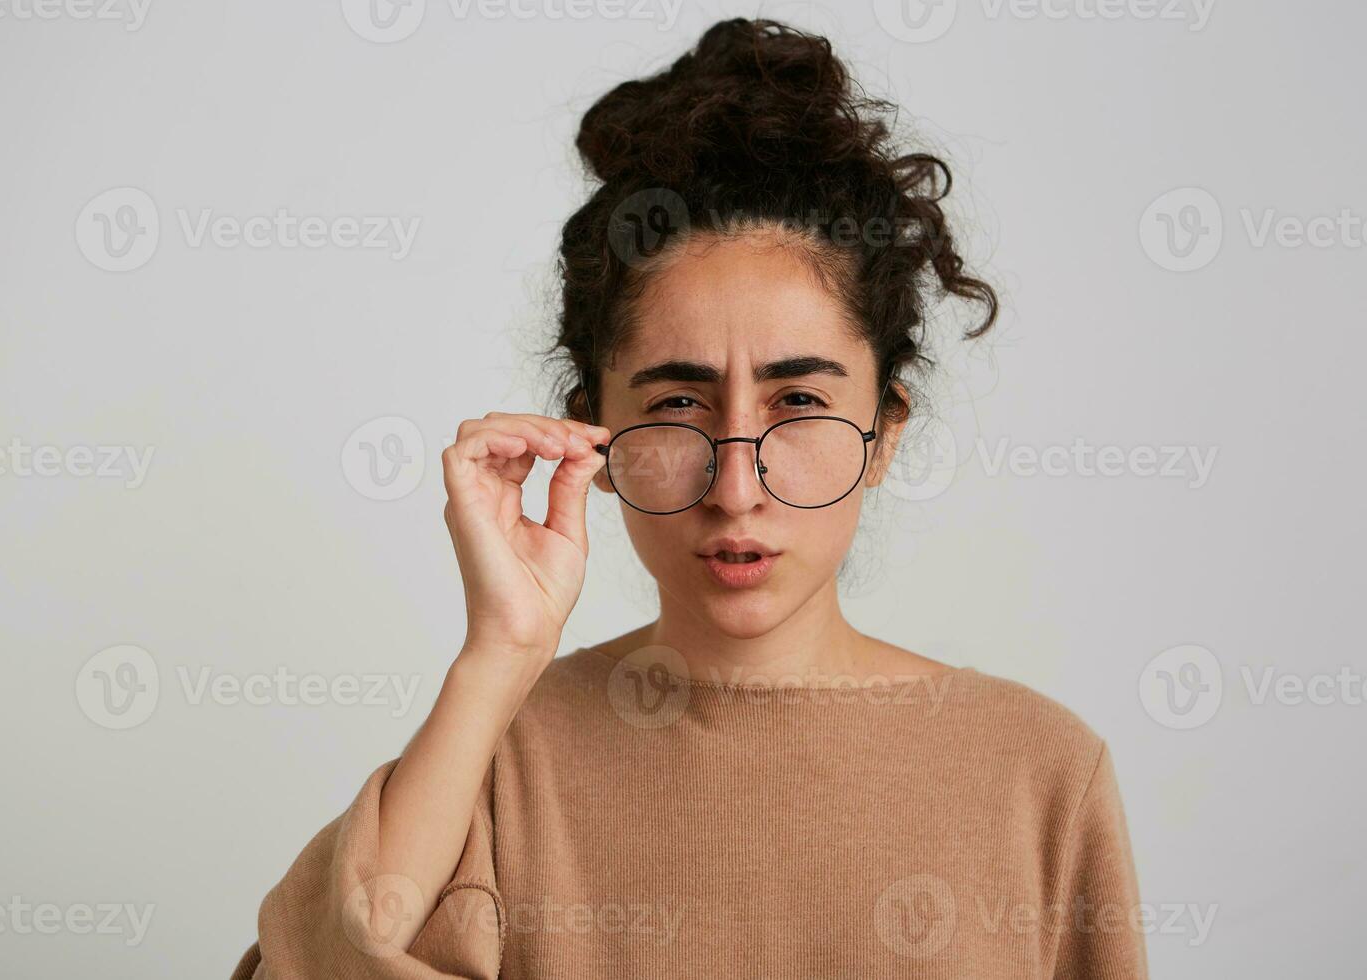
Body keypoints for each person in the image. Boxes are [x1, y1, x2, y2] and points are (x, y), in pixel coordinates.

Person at [231, 17, 1148, 979]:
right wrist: (499, 655)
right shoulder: (496, 764)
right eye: (677, 405)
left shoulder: (1039, 772)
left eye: (799, 403)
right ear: (593, 436)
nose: (736, 487)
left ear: (883, 436)